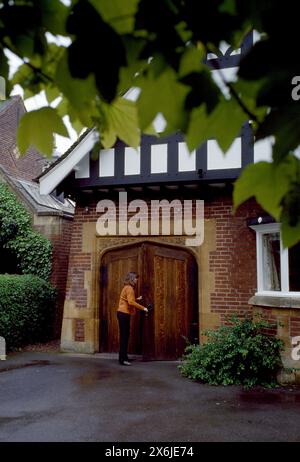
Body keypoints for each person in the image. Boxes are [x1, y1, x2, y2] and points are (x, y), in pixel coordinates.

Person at [117, 272, 148, 366]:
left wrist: (136, 299)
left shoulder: (126, 287)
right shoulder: (129, 288)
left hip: (122, 313)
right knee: (124, 337)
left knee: (124, 336)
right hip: (124, 314)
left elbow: (128, 300)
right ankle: (122, 359)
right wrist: (144, 308)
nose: (136, 280)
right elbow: (130, 302)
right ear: (131, 279)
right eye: (135, 278)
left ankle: (124, 357)